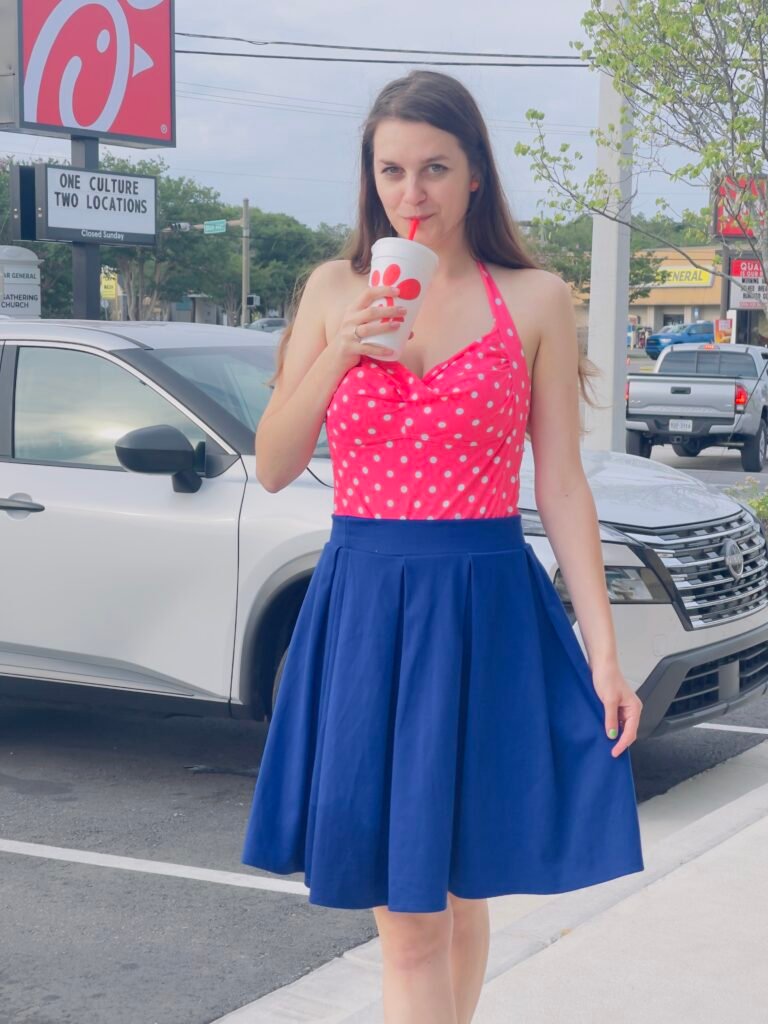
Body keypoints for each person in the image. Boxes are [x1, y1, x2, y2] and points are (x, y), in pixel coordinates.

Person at [241, 69, 645, 1024]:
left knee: (464, 898)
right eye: (391, 170)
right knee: (411, 925)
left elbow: (560, 485)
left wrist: (604, 653)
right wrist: (340, 345)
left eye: (434, 168)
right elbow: (270, 463)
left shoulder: (536, 298)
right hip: (367, 607)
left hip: (487, 604)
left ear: (475, 177)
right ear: (369, 177)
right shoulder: (332, 286)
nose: (410, 193)